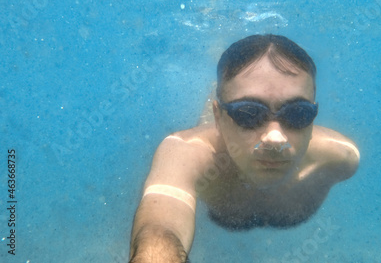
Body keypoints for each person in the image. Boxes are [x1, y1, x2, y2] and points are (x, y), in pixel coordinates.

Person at [128, 34, 360, 263]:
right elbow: (158, 229)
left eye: (297, 113)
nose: (275, 138)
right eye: (249, 114)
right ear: (218, 117)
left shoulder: (340, 158)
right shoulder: (188, 153)